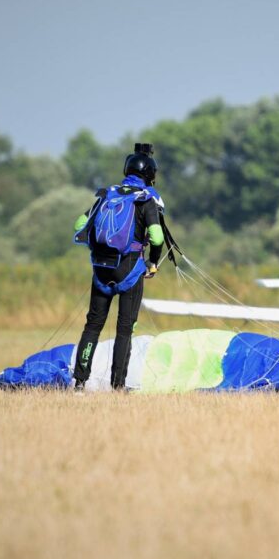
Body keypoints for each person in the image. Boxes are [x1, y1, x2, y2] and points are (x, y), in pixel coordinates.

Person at [71, 143, 168, 391]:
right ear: (150, 175)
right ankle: (118, 385)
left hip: (101, 270)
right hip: (130, 270)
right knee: (124, 329)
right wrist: (153, 263)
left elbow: (79, 224)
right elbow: (157, 238)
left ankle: (80, 382)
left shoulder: (108, 195)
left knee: (93, 326)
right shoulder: (145, 200)